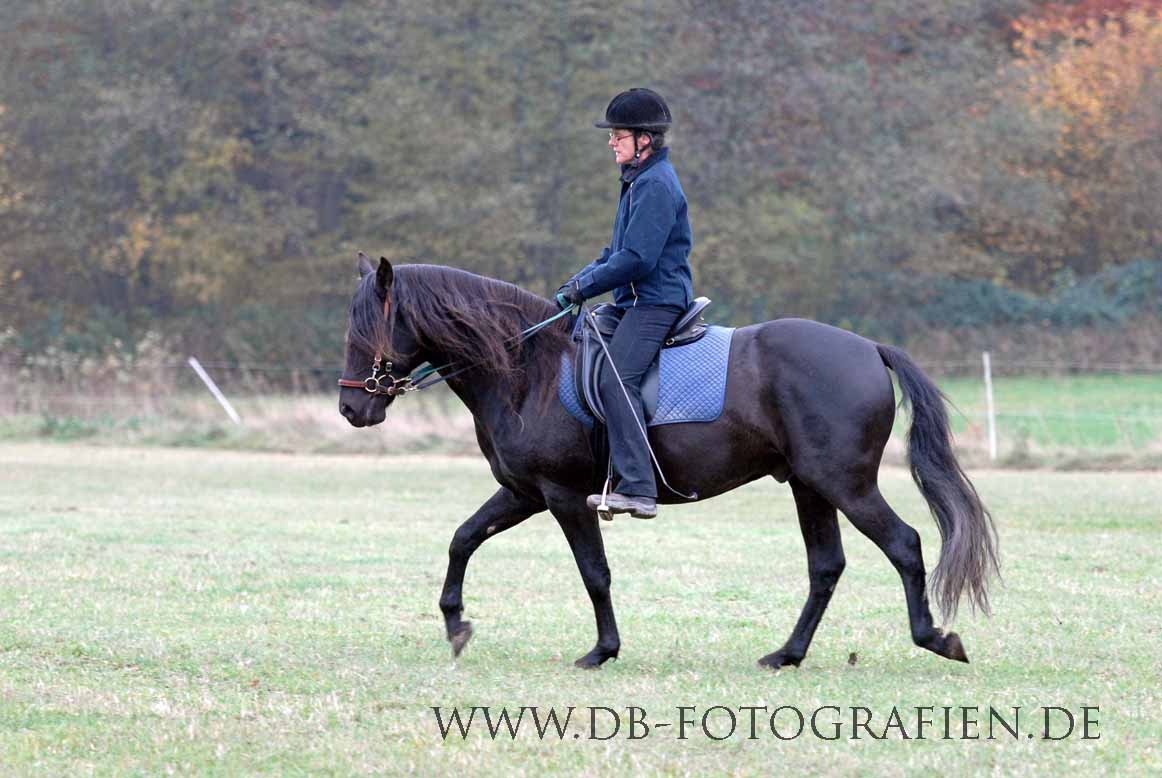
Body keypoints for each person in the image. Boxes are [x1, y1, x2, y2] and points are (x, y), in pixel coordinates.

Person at [556, 87, 695, 520]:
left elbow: (637, 260)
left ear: (644, 140)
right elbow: (615, 250)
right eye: (613, 136)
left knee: (617, 379)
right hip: (634, 302)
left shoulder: (655, 185)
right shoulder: (637, 181)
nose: (611, 142)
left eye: (618, 135)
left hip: (655, 303)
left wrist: (586, 288)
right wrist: (574, 284)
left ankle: (637, 487)